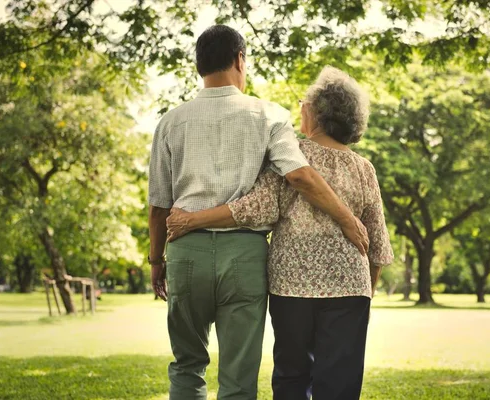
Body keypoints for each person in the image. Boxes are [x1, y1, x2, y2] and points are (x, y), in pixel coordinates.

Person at [148, 26, 369, 400]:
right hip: (244, 256)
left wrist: (156, 261)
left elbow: (159, 206)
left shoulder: (171, 121)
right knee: (238, 376)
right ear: (239, 59)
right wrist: (348, 219)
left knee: (186, 365)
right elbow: (300, 176)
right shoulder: (268, 115)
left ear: (199, 65)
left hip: (185, 251)